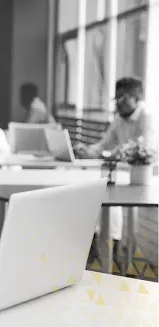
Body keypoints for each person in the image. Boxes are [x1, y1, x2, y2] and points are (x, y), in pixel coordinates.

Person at [74, 77, 156, 260]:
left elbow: (141, 148)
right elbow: (105, 144)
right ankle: (106, 250)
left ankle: (116, 252)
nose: (118, 102)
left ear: (137, 98)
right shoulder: (119, 119)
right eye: (116, 98)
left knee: (114, 207)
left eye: (124, 98)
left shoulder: (148, 117)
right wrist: (88, 150)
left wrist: (112, 153)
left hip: (146, 180)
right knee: (100, 200)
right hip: (124, 177)